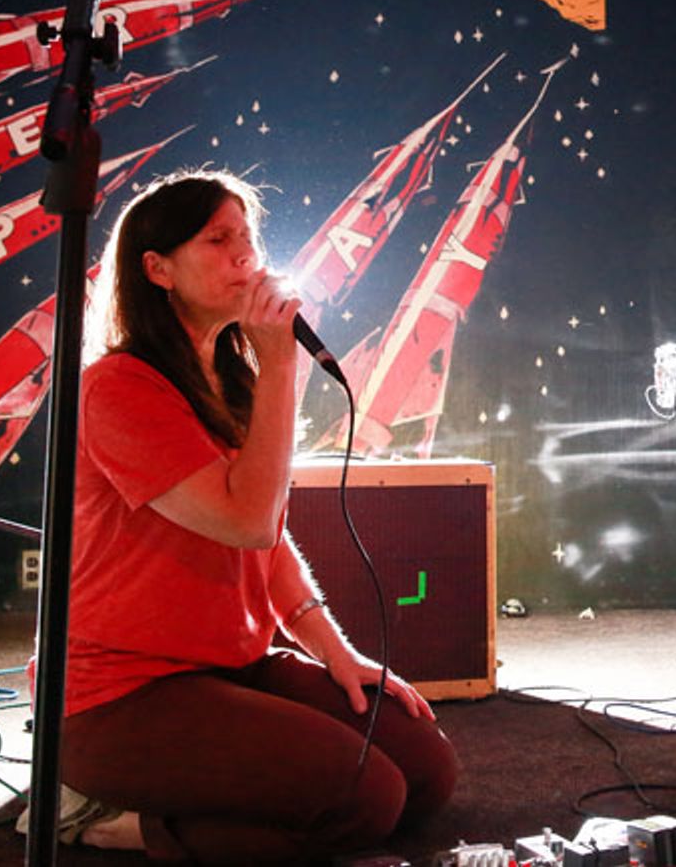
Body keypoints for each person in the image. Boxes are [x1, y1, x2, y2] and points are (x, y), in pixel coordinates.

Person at [38, 170, 457, 862]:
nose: (246, 256)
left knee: (425, 771)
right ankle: (114, 821)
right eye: (219, 239)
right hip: (123, 695)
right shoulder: (117, 387)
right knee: (367, 798)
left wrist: (335, 651)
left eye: (249, 238)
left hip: (229, 664)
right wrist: (281, 367)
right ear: (157, 269)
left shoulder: (227, 376)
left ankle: (196, 794)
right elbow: (247, 522)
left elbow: (267, 546)